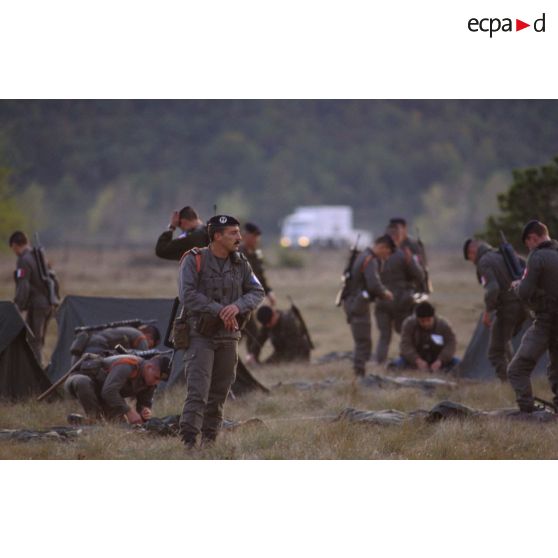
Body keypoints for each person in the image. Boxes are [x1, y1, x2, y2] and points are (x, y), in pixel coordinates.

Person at [178, 215, 265, 448]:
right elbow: (187, 295)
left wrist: (237, 307)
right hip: (200, 336)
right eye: (233, 233)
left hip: (229, 338)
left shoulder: (241, 262)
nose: (239, 237)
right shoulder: (194, 260)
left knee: (219, 393)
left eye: (238, 232)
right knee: (198, 392)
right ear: (217, 236)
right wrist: (219, 310)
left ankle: (209, 443)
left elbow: (257, 291)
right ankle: (188, 444)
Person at [507, 220, 558, 412]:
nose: (528, 248)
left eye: (527, 243)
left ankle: (527, 411)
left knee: (517, 369)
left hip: (545, 322)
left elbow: (525, 291)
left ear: (533, 238)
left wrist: (516, 286)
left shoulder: (537, 257)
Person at [463, 238, 529, 381]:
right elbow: (525, 268)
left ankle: (511, 383)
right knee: (504, 344)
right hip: (522, 306)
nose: (472, 262)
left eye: (470, 258)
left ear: (472, 251)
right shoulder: (502, 254)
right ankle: (517, 379)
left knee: (495, 352)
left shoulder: (484, 262)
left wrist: (487, 311)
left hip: (507, 309)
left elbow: (493, 289)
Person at [64, 353, 171, 423]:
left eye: (159, 380)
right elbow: (108, 391)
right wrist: (128, 411)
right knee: (83, 382)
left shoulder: (149, 381)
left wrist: (144, 411)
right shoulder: (128, 365)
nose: (156, 382)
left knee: (120, 426)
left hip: (104, 396)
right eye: (156, 378)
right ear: (149, 367)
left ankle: (85, 422)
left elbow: (144, 404)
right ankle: (93, 421)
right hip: (80, 380)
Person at [343, 234, 394, 377]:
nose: (387, 255)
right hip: (358, 304)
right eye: (388, 251)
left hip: (353, 303)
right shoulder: (370, 260)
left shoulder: (363, 255)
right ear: (382, 246)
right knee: (363, 342)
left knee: (362, 340)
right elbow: (373, 284)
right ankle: (359, 375)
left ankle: (359, 373)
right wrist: (384, 293)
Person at [374, 232, 425, 364]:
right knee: (405, 334)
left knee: (384, 336)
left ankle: (380, 362)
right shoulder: (404, 255)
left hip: (382, 300)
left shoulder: (375, 257)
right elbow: (419, 276)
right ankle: (407, 360)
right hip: (402, 301)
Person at [9, 230, 54, 364]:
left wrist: (17, 306)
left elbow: (24, 286)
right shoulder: (38, 256)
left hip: (37, 305)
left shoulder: (23, 260)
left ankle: (37, 376)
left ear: (15, 245)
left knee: (33, 342)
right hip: (48, 304)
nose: (14, 251)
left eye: (12, 248)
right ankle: (39, 372)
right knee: (38, 341)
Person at [239, 222, 277, 360]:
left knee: (246, 331)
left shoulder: (254, 254)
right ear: (246, 236)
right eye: (254, 237)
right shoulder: (238, 254)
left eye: (258, 237)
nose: (256, 240)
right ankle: (251, 358)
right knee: (250, 331)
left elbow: (259, 276)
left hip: (249, 300)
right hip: (239, 299)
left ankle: (250, 358)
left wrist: (269, 292)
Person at [389, 301, 459, 372]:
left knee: (459, 364)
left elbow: (451, 344)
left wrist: (440, 360)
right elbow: (405, 345)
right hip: (415, 360)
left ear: (433, 317)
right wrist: (417, 360)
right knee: (395, 365)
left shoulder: (443, 325)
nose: (426, 323)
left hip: (438, 359)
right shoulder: (409, 324)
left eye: (428, 320)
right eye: (422, 321)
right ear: (417, 318)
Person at [70, 324, 161, 365]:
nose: (148, 347)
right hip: (98, 347)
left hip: (86, 344)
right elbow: (141, 361)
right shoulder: (141, 337)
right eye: (151, 346)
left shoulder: (127, 330)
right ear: (149, 337)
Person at [389, 217, 431, 294]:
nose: (395, 232)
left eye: (397, 228)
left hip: (411, 285)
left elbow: (420, 267)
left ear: (404, 228)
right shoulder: (388, 244)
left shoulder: (413, 245)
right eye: (392, 228)